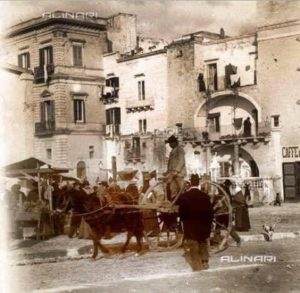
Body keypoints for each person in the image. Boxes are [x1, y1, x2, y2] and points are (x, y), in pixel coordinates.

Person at [176, 174, 214, 271]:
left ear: (191, 183)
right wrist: (208, 224)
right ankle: (205, 262)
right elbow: (210, 212)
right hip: (203, 225)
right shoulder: (205, 196)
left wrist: (184, 222)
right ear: (198, 183)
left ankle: (197, 266)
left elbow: (182, 213)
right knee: (203, 243)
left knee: (193, 245)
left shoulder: (185, 196)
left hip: (190, 226)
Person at [165, 135, 187, 200]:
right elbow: (170, 164)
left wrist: (176, 171)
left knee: (182, 190)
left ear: (174, 142)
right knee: (173, 190)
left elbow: (181, 161)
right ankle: (174, 204)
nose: (170, 145)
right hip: (172, 175)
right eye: (169, 143)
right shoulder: (172, 151)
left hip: (179, 174)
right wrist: (167, 172)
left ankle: (185, 204)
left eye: (171, 143)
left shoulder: (179, 150)